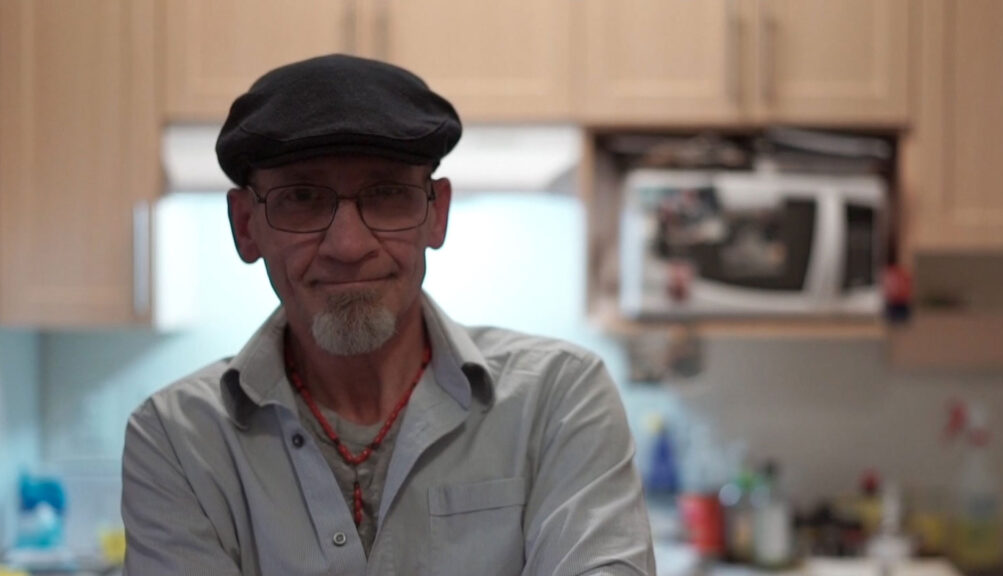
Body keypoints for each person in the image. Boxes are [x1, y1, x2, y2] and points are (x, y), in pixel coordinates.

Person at [121, 53, 655, 576]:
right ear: (245, 226)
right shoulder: (177, 440)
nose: (348, 246)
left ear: (437, 214)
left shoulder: (559, 398)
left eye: (387, 195)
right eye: (302, 197)